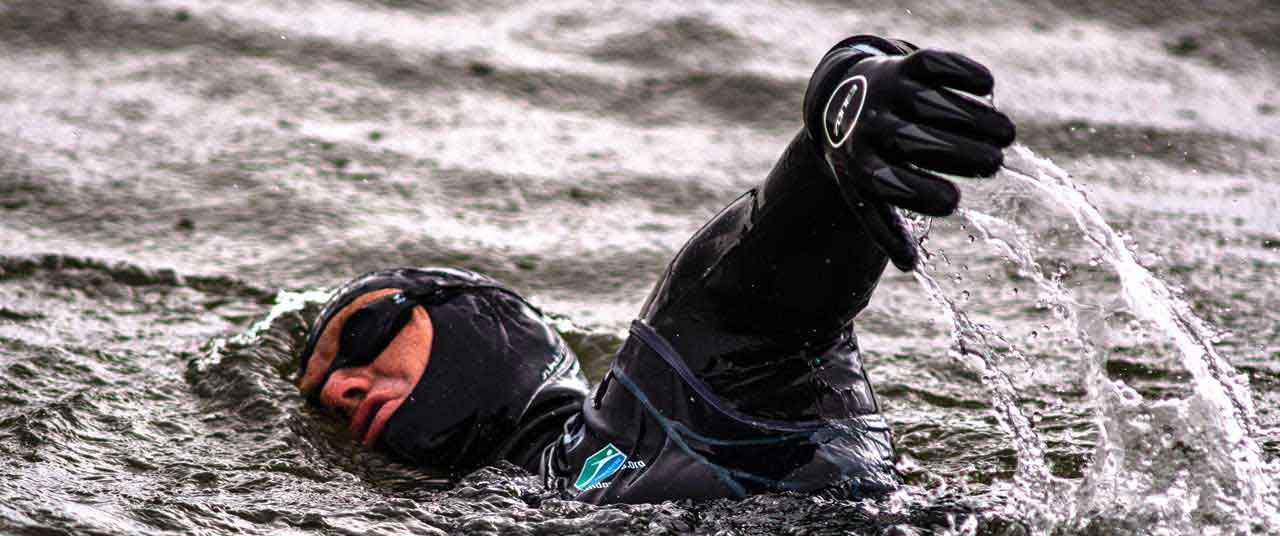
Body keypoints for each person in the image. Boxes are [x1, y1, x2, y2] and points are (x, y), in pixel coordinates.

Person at [296, 35, 1016, 504]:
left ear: (478, 319)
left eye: (363, 336)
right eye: (321, 394)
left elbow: (765, 279)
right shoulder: (476, 532)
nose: (339, 386)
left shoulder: (668, 384)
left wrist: (846, 103)